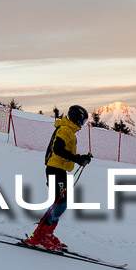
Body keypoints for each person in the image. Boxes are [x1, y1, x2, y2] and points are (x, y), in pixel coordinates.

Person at [25, 105, 92, 250]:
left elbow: (65, 152)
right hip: (54, 169)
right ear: (76, 118)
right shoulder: (65, 130)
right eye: (83, 120)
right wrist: (77, 158)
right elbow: (58, 150)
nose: (83, 124)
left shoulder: (69, 131)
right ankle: (38, 236)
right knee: (58, 203)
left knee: (62, 203)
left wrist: (82, 158)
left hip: (60, 169)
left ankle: (47, 233)